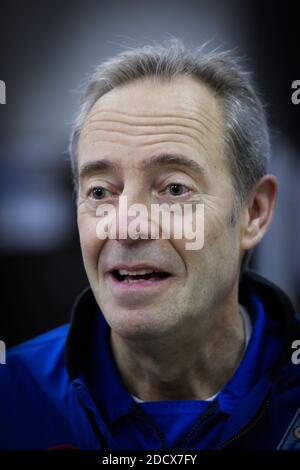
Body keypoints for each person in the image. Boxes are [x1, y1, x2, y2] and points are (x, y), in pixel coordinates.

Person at [0, 39, 299, 451]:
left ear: (254, 212)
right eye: (101, 192)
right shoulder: (13, 394)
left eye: (174, 189)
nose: (127, 226)